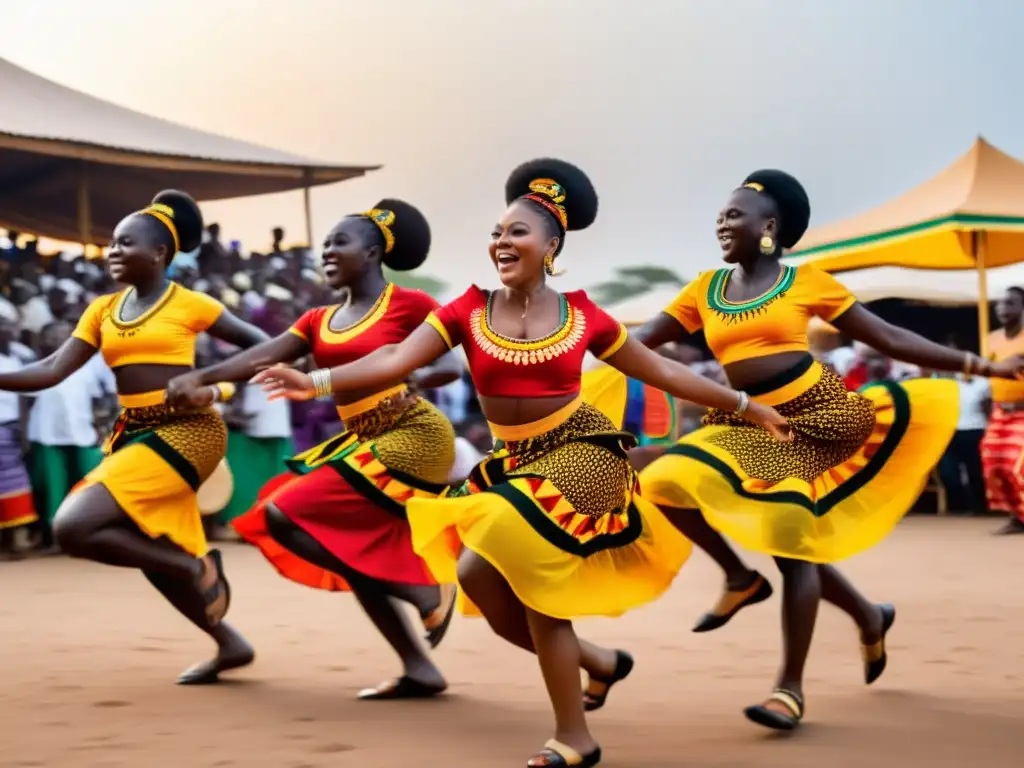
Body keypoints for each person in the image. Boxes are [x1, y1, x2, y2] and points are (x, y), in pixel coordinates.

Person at [251, 159, 790, 768]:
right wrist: (315, 381)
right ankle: (598, 662)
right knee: (479, 578)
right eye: (497, 233)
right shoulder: (465, 310)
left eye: (517, 233)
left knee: (527, 568)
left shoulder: (585, 316)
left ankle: (575, 737)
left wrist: (744, 403)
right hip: (514, 464)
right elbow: (397, 357)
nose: (502, 243)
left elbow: (663, 369)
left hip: (580, 457)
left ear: (551, 246)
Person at [597, 169, 1023, 732]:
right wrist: (558, 333)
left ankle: (789, 689)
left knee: (792, 543)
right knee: (657, 478)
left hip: (813, 422)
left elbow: (891, 340)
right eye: (720, 215)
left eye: (734, 215)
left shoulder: (807, 282)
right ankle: (759, 584)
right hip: (746, 421)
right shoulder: (703, 289)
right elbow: (630, 342)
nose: (722, 223)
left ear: (768, 227)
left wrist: (984, 365)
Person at [166, 200, 463, 699]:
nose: (327, 250)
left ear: (371, 252)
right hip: (364, 439)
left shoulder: (409, 304)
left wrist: (411, 372)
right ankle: (419, 667)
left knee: (285, 513)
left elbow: (451, 366)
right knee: (344, 544)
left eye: (339, 242)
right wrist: (203, 374)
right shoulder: (317, 319)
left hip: (412, 433)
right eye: (325, 243)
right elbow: (264, 355)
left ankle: (423, 589)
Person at [0, 190, 269, 683]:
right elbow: (51, 368)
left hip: (190, 433)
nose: (113, 252)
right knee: (145, 541)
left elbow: (268, 348)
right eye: (111, 245)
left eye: (125, 243)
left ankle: (193, 568)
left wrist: (215, 384)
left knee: (73, 527)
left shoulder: (192, 303)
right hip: (134, 436)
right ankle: (229, 642)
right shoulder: (103, 310)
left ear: (160, 253)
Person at [26, 320, 115, 549]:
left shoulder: (88, 363)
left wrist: (100, 426)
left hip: (81, 432)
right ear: (45, 339)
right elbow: (25, 401)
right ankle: (54, 535)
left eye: (65, 333)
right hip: (46, 433)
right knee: (52, 486)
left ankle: (87, 534)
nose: (59, 338)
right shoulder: (35, 363)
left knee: (86, 484)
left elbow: (100, 398)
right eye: (53, 334)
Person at [981, 287, 1024, 534]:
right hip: (1000, 410)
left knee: (1016, 463)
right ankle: (1015, 516)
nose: (1002, 308)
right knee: (993, 461)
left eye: (1010, 303)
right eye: (1000, 304)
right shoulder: (992, 339)